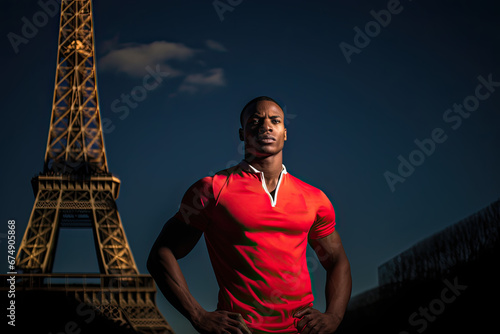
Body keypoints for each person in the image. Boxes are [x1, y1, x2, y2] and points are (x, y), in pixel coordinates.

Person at [147, 96, 352, 333]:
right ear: (242, 134)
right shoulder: (212, 189)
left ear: (284, 133)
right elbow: (161, 253)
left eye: (274, 121)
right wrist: (199, 316)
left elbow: (337, 260)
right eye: (255, 121)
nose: (266, 126)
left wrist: (334, 316)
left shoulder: (314, 198)